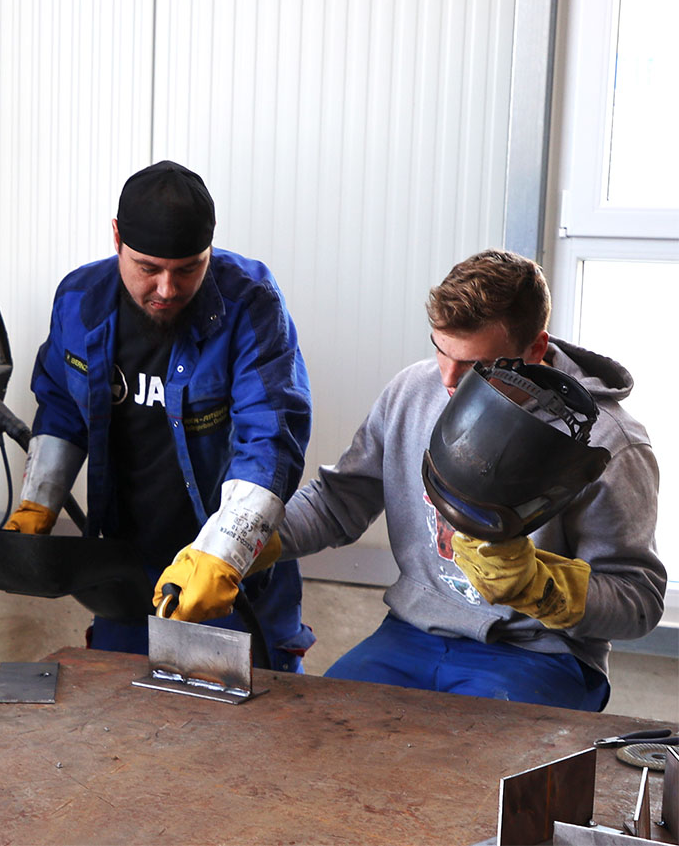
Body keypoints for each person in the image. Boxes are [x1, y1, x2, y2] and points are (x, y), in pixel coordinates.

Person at [219, 250, 663, 709]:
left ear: (535, 349)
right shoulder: (414, 390)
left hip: (540, 654)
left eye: (474, 366)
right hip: (413, 634)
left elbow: (640, 601)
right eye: (439, 349)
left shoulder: (609, 444)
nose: (447, 379)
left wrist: (541, 586)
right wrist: (237, 544)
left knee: (475, 769)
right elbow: (337, 502)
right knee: (315, 731)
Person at [6, 160, 315, 670]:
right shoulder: (81, 300)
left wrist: (225, 552)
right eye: (148, 268)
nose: (167, 289)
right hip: (125, 569)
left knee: (256, 727)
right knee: (123, 720)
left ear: (210, 251)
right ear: (116, 238)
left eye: (188, 268)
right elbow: (62, 405)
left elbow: (271, 438)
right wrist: (38, 503)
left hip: (228, 566)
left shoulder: (250, 304)